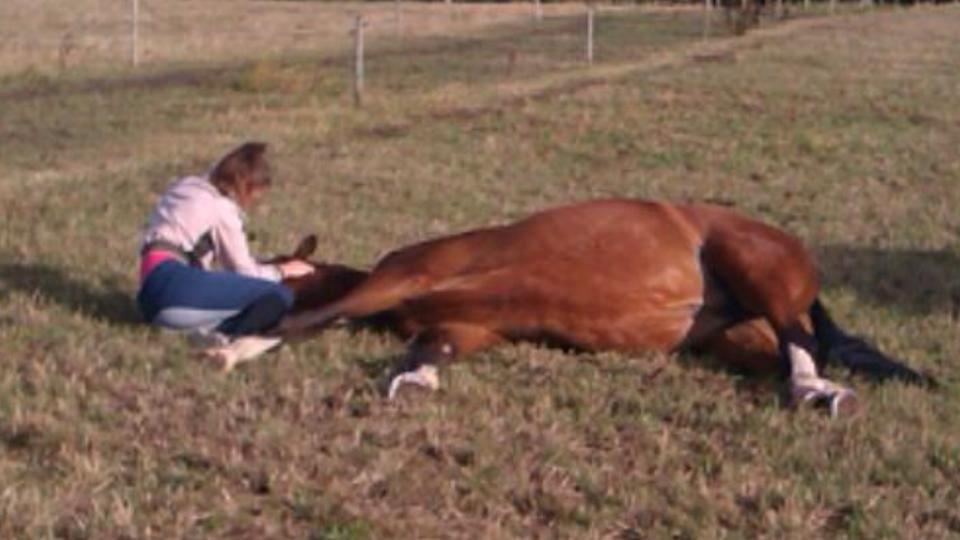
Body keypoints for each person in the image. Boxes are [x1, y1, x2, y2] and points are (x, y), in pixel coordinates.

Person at [136, 141, 314, 368]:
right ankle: (230, 342)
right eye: (254, 194)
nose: (252, 202)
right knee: (279, 296)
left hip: (148, 299)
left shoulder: (184, 186)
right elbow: (244, 272)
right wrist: (283, 270)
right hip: (175, 289)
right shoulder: (221, 207)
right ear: (245, 184)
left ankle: (206, 335)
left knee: (237, 302)